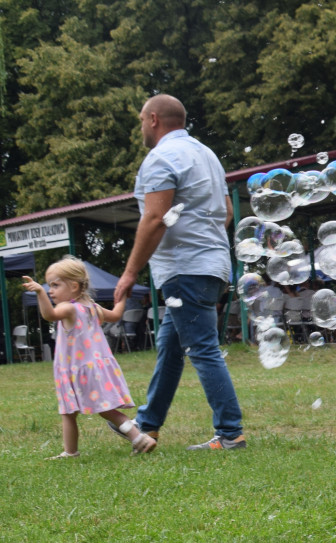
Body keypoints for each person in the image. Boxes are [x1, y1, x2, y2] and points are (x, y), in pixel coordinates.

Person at [114, 94, 247, 450]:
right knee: (171, 347)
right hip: (212, 264)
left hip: (184, 269)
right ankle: (147, 424)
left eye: (142, 120)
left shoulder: (160, 158)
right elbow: (226, 211)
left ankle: (231, 433)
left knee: (202, 348)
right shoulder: (207, 155)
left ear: (154, 119)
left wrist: (129, 273)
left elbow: (155, 218)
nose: (141, 126)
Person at [24, 257, 156, 459]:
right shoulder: (93, 308)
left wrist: (39, 292)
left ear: (74, 286)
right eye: (49, 286)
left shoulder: (69, 308)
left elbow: (49, 315)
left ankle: (75, 451)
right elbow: (115, 315)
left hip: (76, 371)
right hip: (95, 368)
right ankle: (136, 439)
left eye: (55, 285)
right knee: (104, 411)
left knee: (70, 413)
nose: (50, 290)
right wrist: (121, 298)